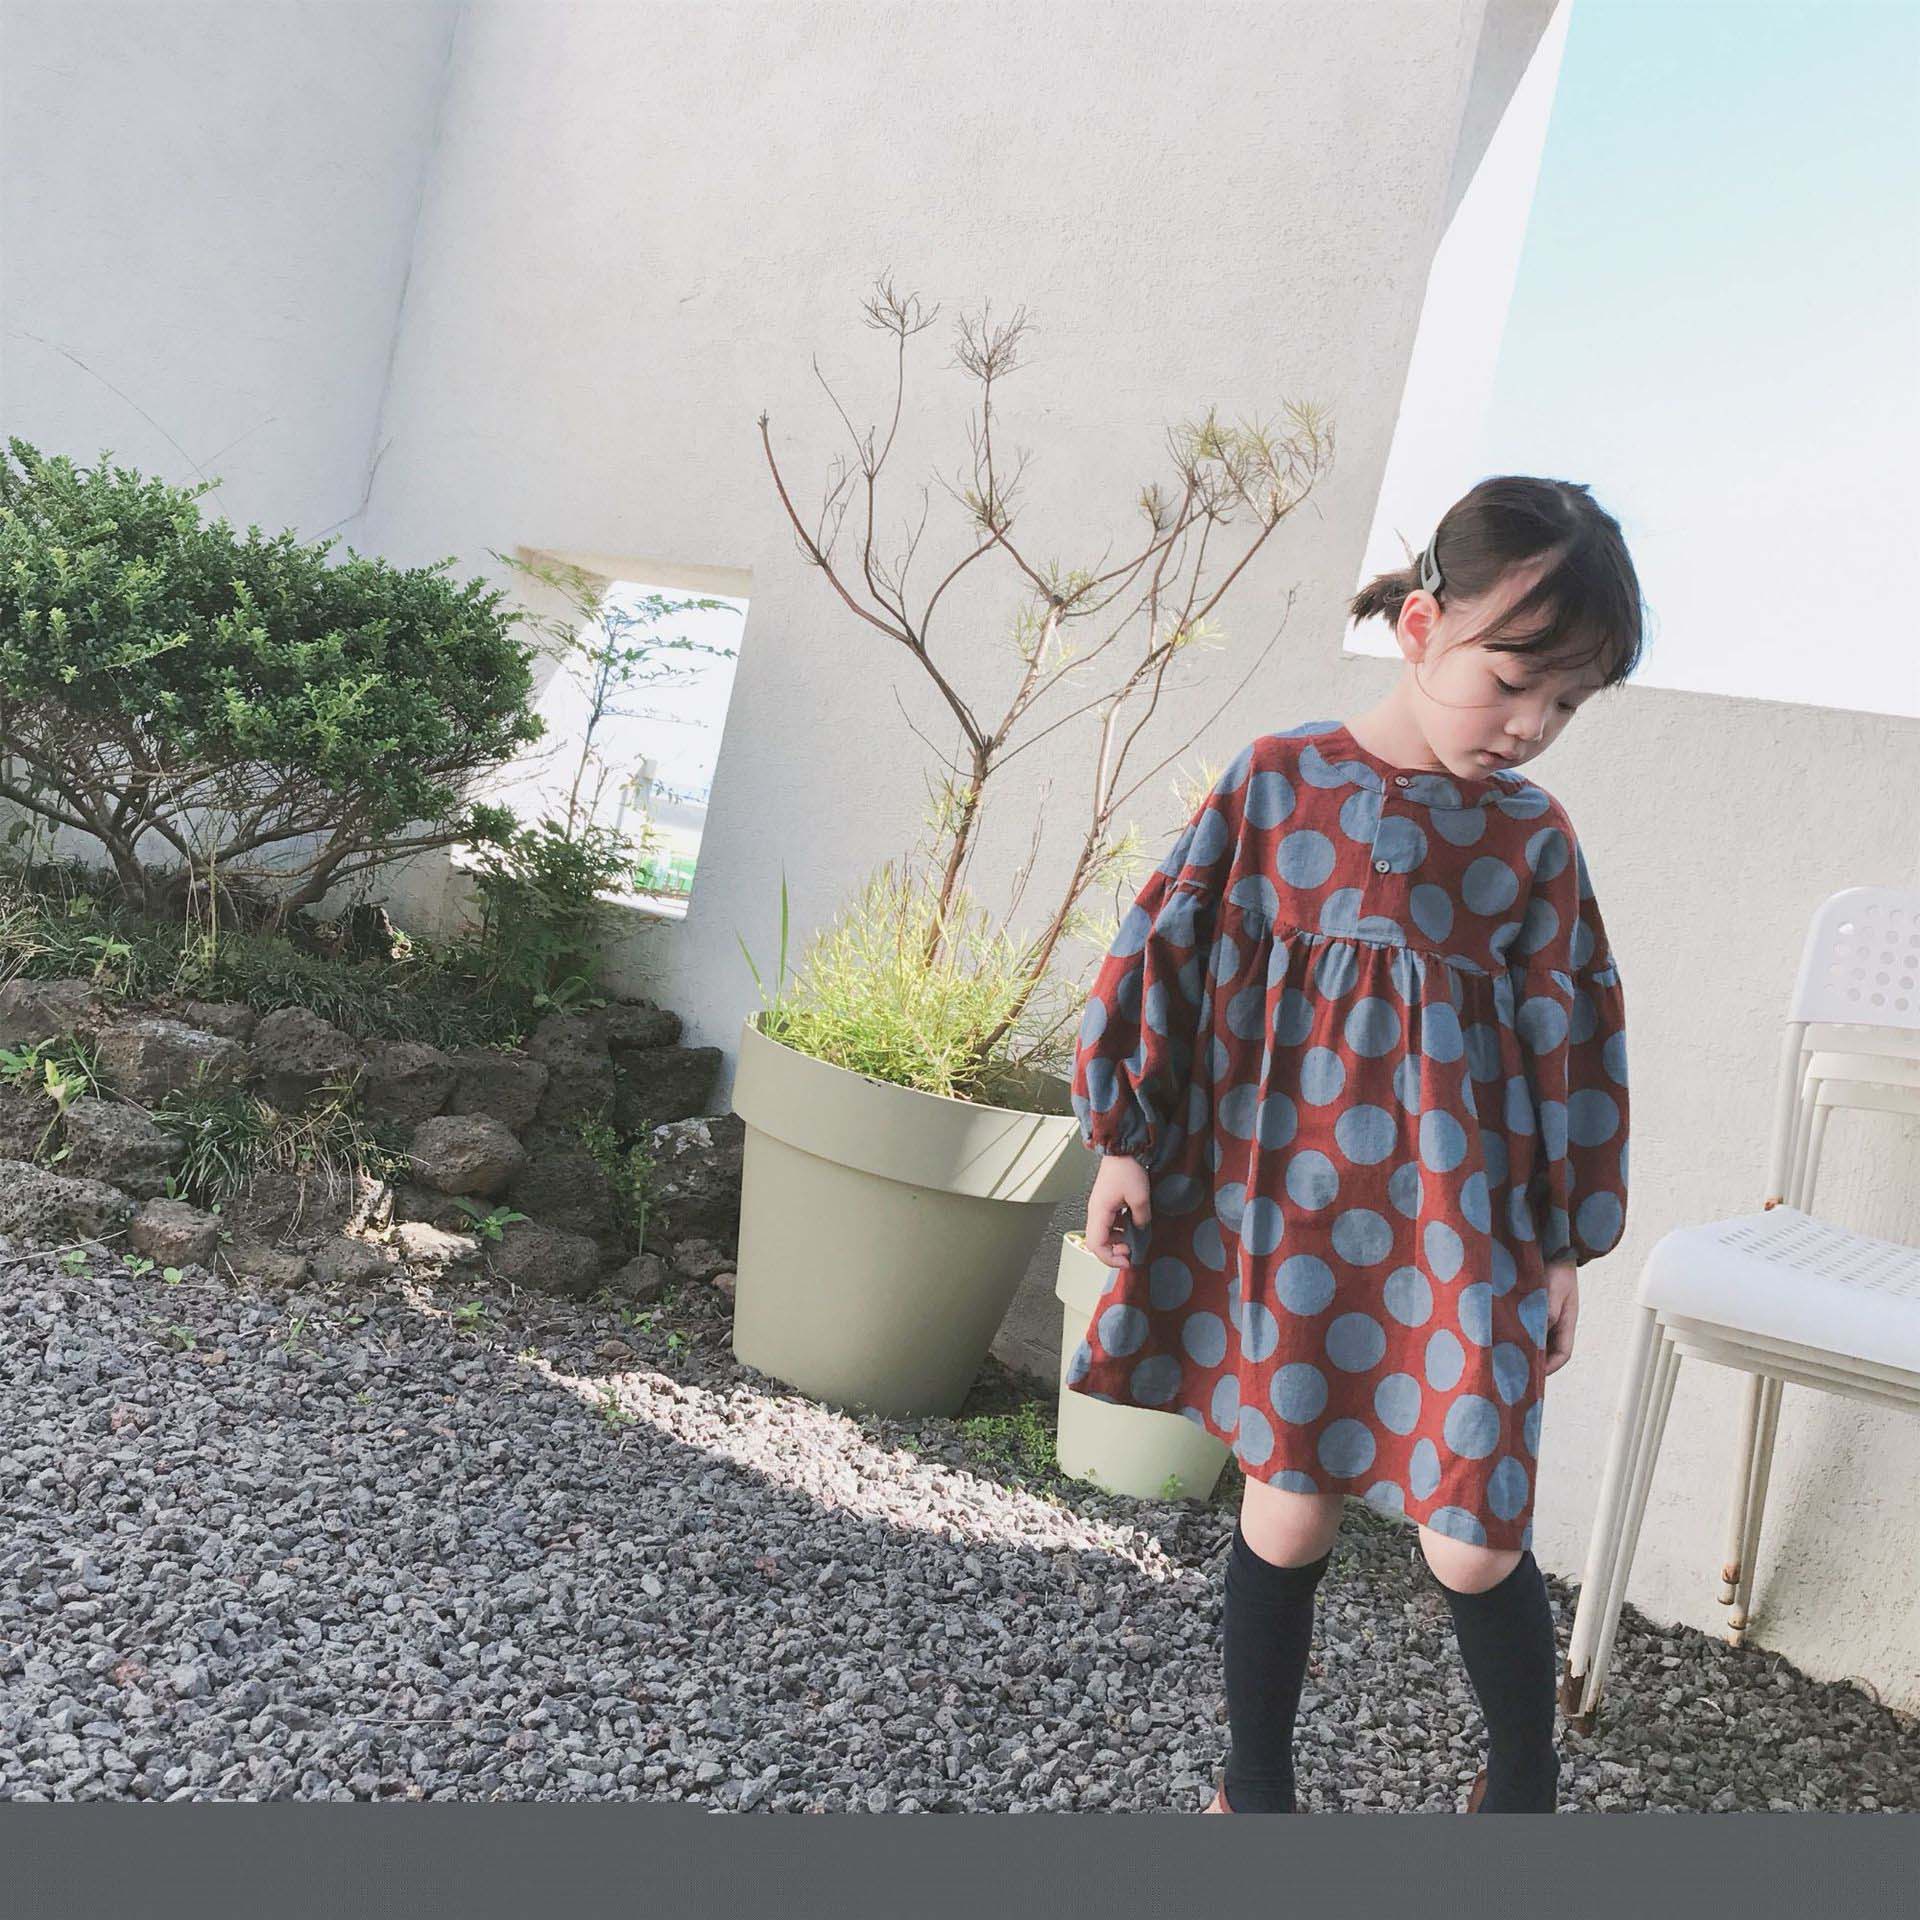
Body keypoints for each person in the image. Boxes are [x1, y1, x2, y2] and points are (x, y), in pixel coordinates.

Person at [1067, 474, 1644, 1815]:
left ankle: (1522, 1791)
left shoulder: (1531, 841)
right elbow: (1169, 949)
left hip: (1463, 1233)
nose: (1533, 725)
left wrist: (1566, 1244)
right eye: (1515, 680)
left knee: (1473, 1534)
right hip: (1293, 1218)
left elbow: (1572, 1045)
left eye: (1567, 703)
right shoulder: (1279, 783)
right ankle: (1255, 1790)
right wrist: (1124, 1139)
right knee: (1286, 1509)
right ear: (1423, 626)